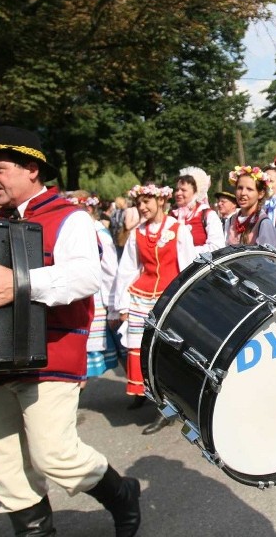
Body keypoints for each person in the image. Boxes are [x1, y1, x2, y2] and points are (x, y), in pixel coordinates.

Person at [0, 126, 141, 536]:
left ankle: (122, 494)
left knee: (55, 454)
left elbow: (85, 277)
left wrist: (18, 284)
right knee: (2, 457)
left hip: (52, 353)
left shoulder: (70, 217)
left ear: (32, 169)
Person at [112, 183, 195, 433]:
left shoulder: (178, 230)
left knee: (163, 352)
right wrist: (121, 305)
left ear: (161, 201)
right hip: (141, 296)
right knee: (138, 348)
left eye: (147, 202)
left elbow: (188, 266)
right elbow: (127, 269)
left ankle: (165, 406)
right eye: (139, 203)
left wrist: (187, 302)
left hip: (168, 297)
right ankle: (141, 392)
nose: (142, 207)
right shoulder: (138, 233)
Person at [68, 191, 120, 381]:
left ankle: (140, 389)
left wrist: (113, 304)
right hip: (84, 296)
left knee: (116, 346)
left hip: (98, 298)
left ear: (88, 208)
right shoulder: (81, 231)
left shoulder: (98, 233)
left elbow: (111, 271)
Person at [171, 166, 225, 255]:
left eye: (183, 190)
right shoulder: (172, 214)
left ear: (195, 192)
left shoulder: (207, 215)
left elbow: (217, 247)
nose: (178, 193)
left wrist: (185, 253)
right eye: (177, 190)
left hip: (199, 267)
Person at [226, 165, 273, 246]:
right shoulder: (231, 220)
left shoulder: (263, 222)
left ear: (261, 194)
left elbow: (268, 256)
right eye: (240, 188)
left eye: (249, 189)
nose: (243, 193)